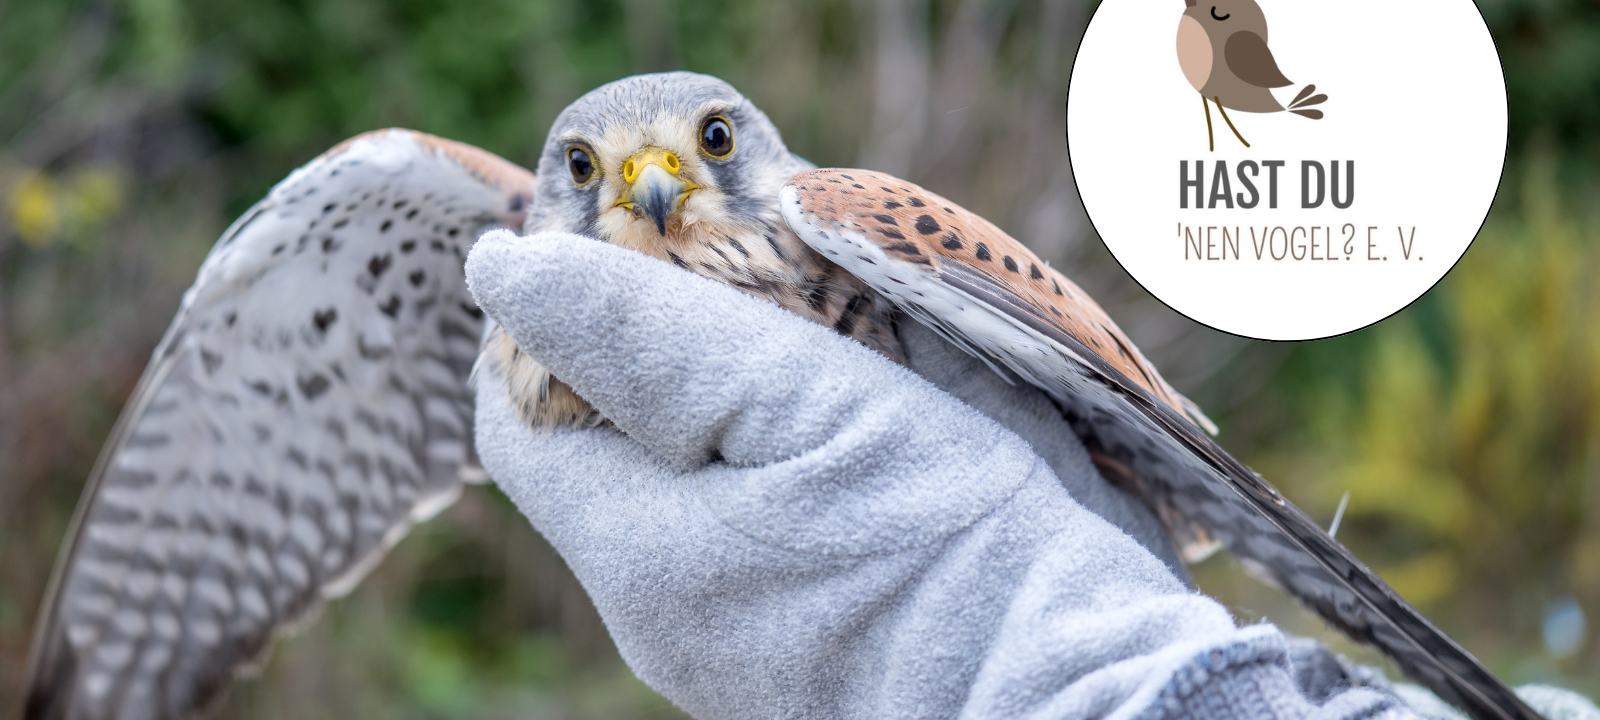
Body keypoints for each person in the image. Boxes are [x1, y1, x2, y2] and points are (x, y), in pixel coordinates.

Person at [465, 230, 1596, 720]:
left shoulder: (832, 219)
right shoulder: (540, 277)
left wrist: (1071, 670)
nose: (653, 191)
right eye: (593, 172)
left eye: (707, 145)